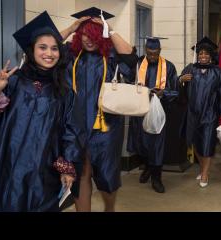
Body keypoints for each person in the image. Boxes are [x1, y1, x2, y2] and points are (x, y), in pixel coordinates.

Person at [0, 12, 84, 212]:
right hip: (8, 166)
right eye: (42, 47)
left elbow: (71, 131)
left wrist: (67, 168)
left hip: (43, 171)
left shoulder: (64, 91)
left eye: (54, 48)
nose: (49, 53)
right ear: (31, 50)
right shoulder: (13, 82)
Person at [60, 7, 138, 212]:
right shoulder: (70, 56)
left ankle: (109, 209)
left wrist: (109, 29)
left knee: (106, 174)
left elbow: (131, 57)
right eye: (84, 34)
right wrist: (72, 27)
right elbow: (44, 47)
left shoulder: (111, 57)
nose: (88, 39)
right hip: (74, 126)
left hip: (106, 127)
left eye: (93, 34)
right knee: (80, 173)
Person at [127, 36, 178, 193]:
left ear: (160, 51)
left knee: (156, 146)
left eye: (155, 53)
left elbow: (176, 90)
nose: (152, 57)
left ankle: (156, 178)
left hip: (158, 112)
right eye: (149, 53)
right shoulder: (137, 64)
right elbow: (128, 84)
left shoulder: (168, 67)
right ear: (145, 51)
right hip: (139, 112)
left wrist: (164, 93)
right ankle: (148, 167)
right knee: (141, 144)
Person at [179, 37, 221, 188]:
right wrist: (181, 79)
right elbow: (177, 83)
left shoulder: (218, 72)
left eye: (206, 54)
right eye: (200, 54)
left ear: (211, 56)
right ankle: (203, 167)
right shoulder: (190, 69)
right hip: (192, 113)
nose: (203, 56)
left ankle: (205, 173)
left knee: (207, 144)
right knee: (195, 143)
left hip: (210, 114)